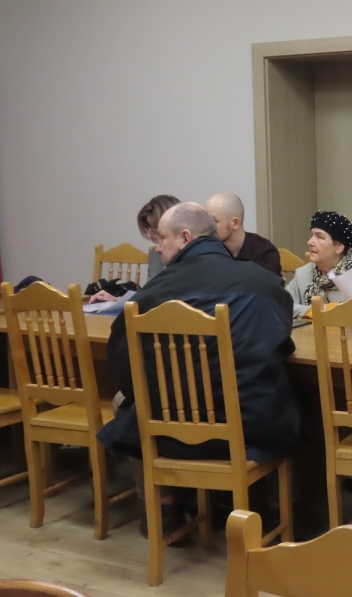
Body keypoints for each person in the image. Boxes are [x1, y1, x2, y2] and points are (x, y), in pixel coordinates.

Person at [97, 202, 304, 530]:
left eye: (162, 237)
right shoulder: (262, 282)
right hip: (252, 428)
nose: (157, 246)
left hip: (170, 433)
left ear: (185, 237)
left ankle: (165, 510)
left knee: (131, 404)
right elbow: (280, 342)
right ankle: (277, 512)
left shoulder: (151, 295)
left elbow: (123, 366)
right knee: (298, 395)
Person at [89, 194, 180, 303]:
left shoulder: (188, 257)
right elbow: (149, 294)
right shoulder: (154, 254)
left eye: (154, 226)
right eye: (148, 226)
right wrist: (117, 300)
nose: (149, 232)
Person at [285, 210, 352, 320]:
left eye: (320, 237)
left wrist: (329, 311)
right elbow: (280, 304)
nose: (310, 242)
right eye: (312, 235)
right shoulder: (304, 273)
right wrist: (314, 310)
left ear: (339, 247)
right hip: (310, 331)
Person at [206, 192, 282, 276]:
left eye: (214, 221)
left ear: (235, 223)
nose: (208, 227)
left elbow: (268, 284)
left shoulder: (265, 252)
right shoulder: (208, 249)